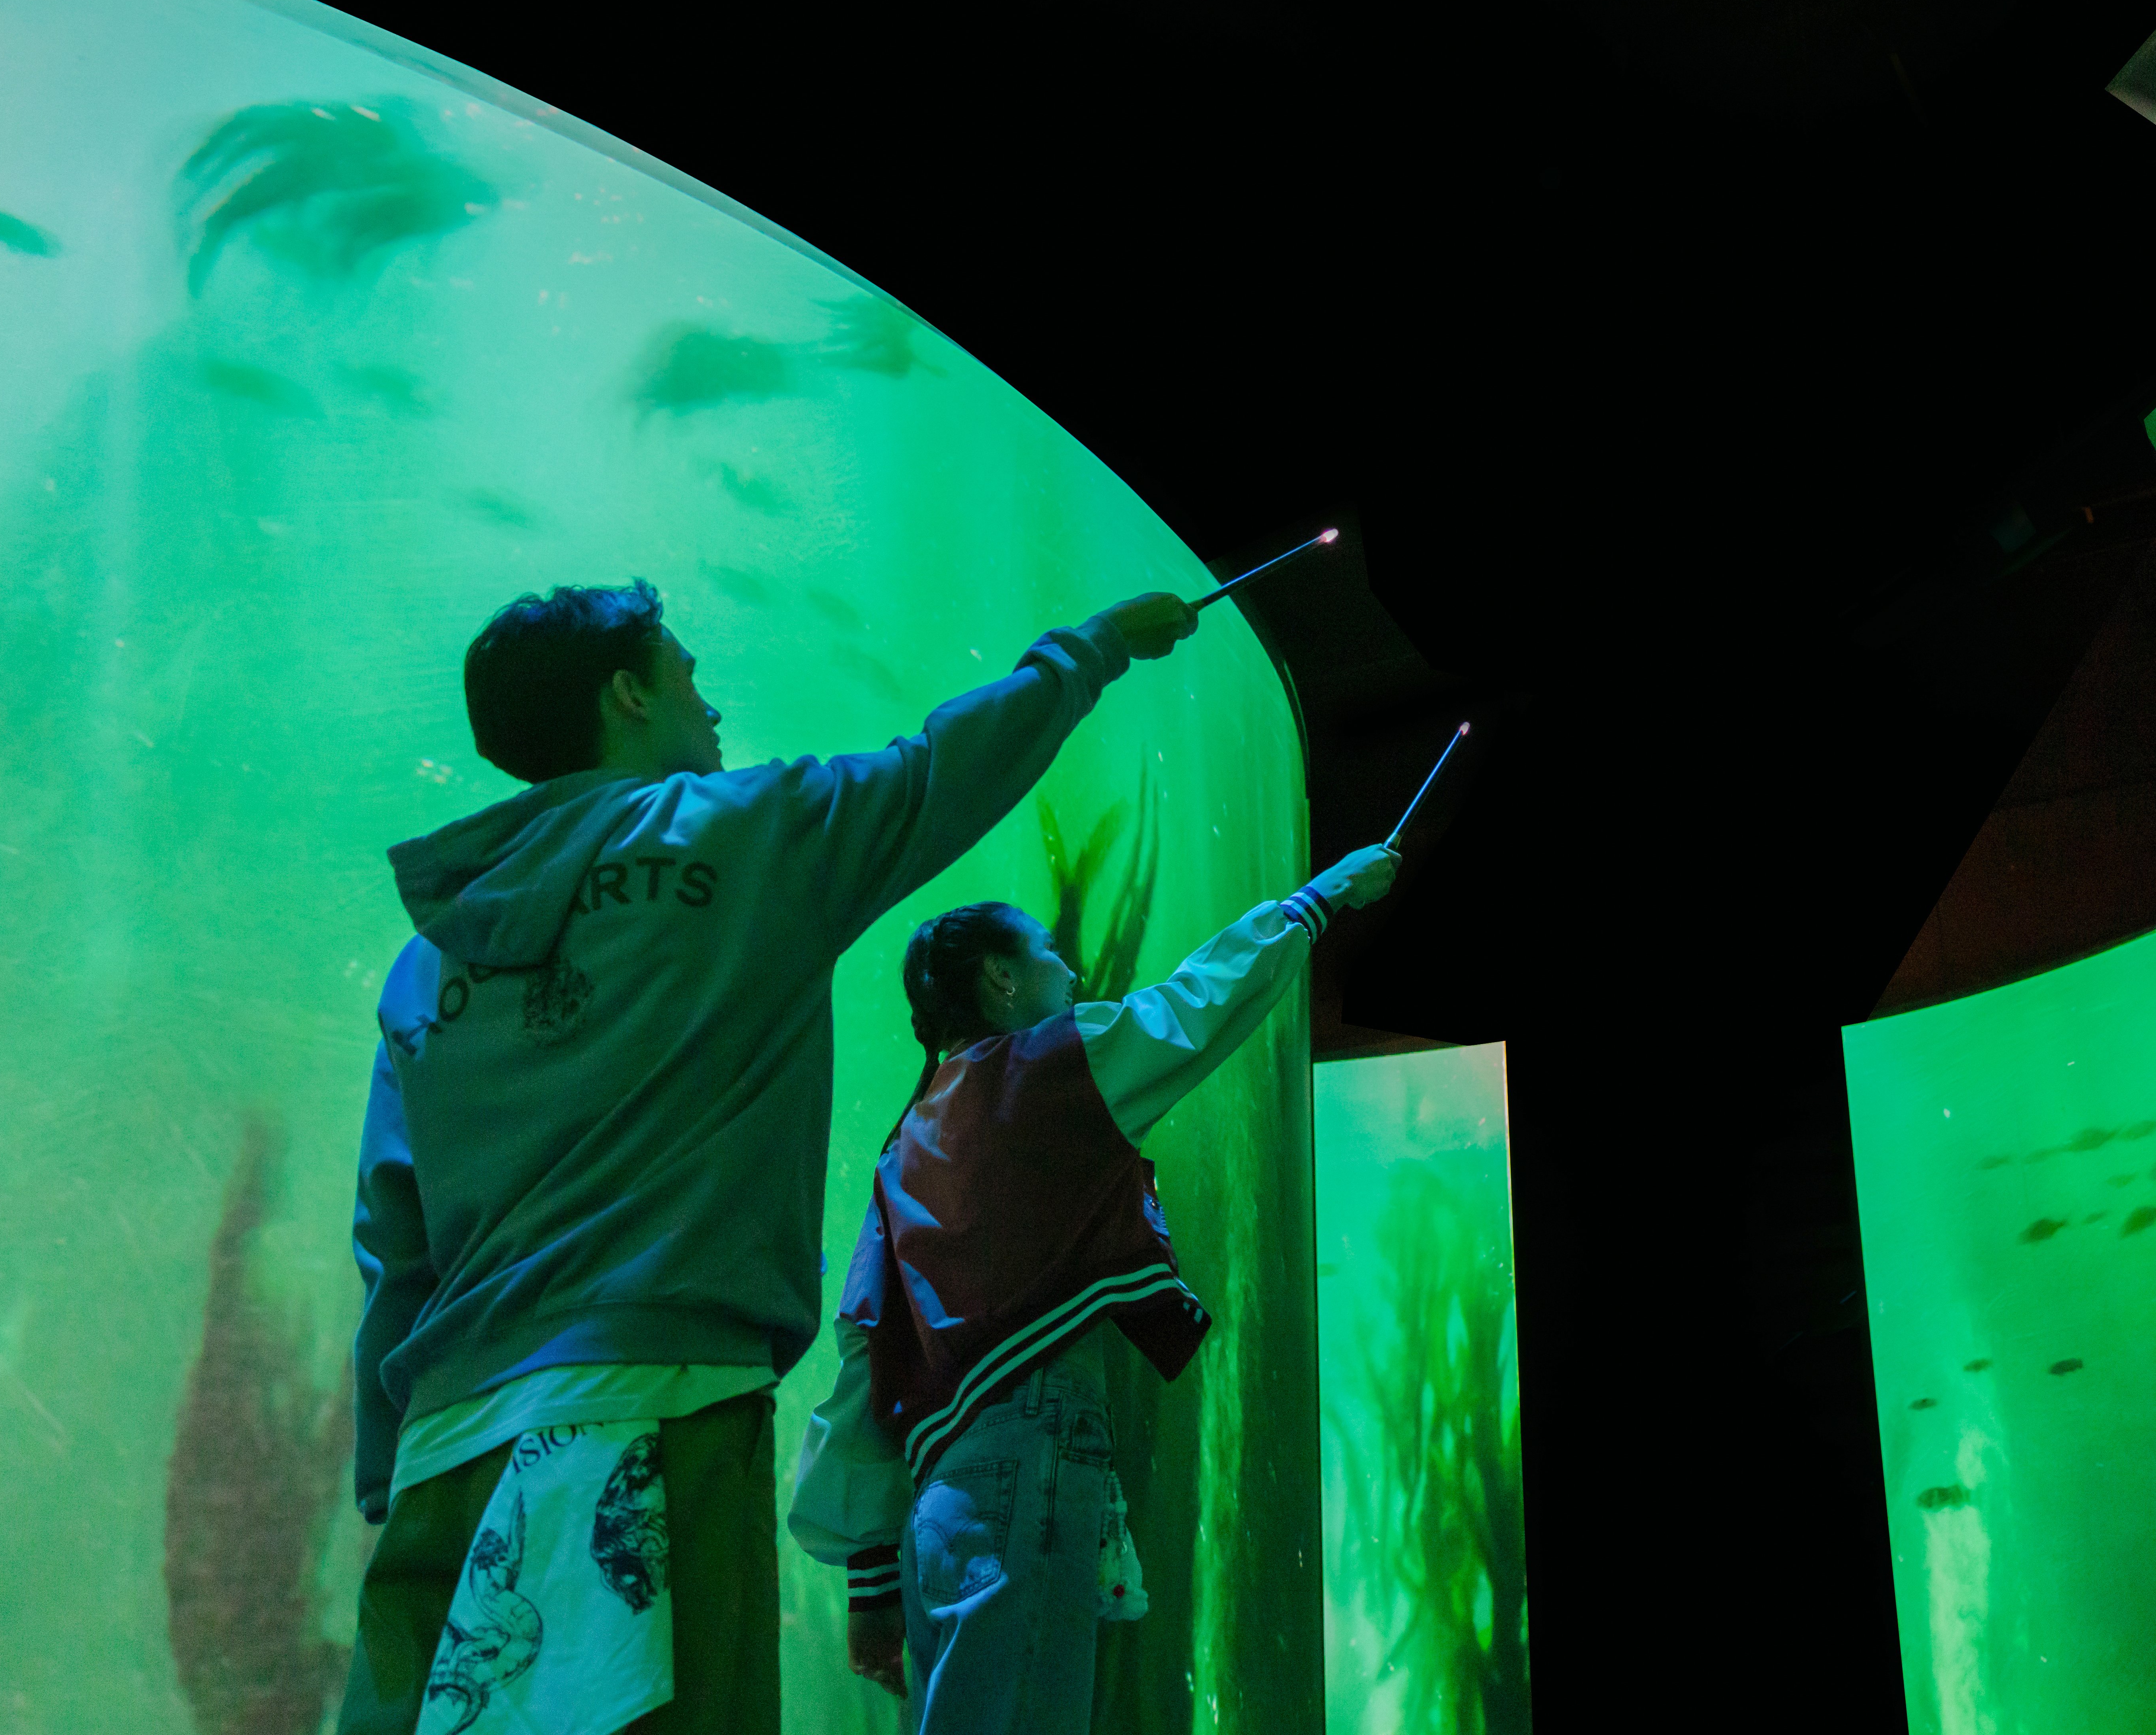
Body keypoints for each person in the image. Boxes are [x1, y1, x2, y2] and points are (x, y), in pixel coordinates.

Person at [341, 577, 1196, 1734]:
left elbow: (396, 1239)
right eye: (687, 671)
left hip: (446, 1455)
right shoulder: (742, 834)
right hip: (656, 1413)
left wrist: (386, 1468)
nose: (710, 701)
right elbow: (940, 770)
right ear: (629, 690)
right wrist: (1092, 649)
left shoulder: (422, 965)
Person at [787, 842, 1404, 1728]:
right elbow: (1192, 1008)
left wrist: (871, 1576)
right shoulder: (1046, 1070)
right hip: (1028, 1454)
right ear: (1002, 981)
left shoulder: (902, 1148)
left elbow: (864, 1354)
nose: (1070, 969)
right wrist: (1316, 901)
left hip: (941, 1500)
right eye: (1047, 953)